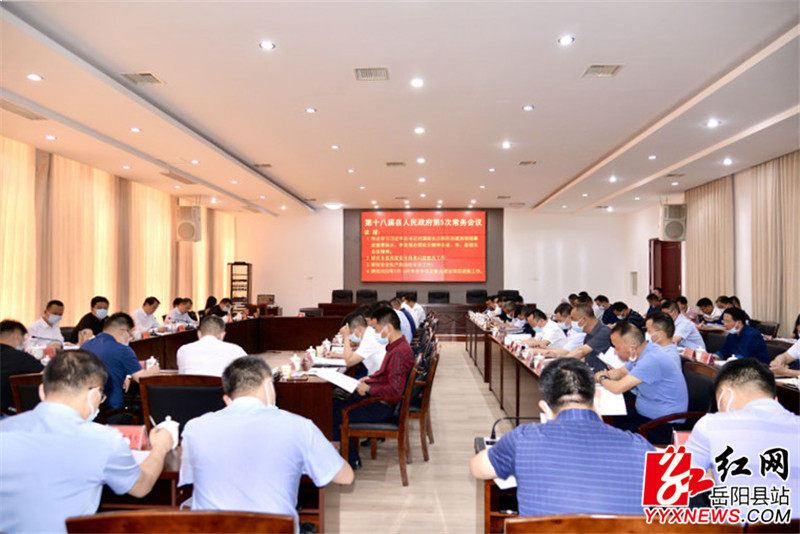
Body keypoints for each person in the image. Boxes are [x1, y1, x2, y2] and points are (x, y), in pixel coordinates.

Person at [0, 350, 173, 533]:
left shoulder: (4, 430)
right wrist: (160, 447)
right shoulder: (103, 439)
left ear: (42, 391)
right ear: (93, 395)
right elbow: (140, 487)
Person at [179, 356, 353, 524]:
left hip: (212, 528)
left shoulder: (195, 428)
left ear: (227, 399)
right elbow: (345, 477)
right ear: (268, 385)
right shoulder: (299, 427)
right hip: (274, 528)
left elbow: (189, 476)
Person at [470, 358, 654, 516]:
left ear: (545, 408)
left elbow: (478, 468)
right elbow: (667, 507)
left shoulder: (523, 439)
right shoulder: (641, 447)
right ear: (598, 399)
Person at [685, 358, 799, 519]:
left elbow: (674, 485)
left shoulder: (711, 424)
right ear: (775, 400)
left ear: (726, 395)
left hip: (733, 527)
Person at [332, 307, 415, 468]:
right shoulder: (397, 346)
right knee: (337, 404)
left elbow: (395, 390)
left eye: (376, 329)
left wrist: (369, 389)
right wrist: (371, 379)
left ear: (388, 328)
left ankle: (351, 461)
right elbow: (386, 375)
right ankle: (348, 457)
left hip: (382, 406)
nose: (374, 332)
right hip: (379, 400)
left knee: (331, 414)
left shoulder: (398, 353)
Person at [598, 320, 688, 444]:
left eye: (617, 347)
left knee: (608, 431)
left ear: (632, 347)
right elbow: (620, 372)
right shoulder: (644, 351)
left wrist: (603, 379)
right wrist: (601, 376)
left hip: (662, 424)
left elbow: (617, 388)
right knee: (608, 421)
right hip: (646, 416)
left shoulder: (651, 359)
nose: (615, 351)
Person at [82, 312, 161, 414]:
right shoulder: (123, 350)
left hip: (86, 407)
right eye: (130, 334)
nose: (131, 338)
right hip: (112, 410)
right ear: (123, 331)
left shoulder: (85, 345)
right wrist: (153, 371)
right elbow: (141, 378)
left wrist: (125, 376)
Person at [177, 315, 247, 376]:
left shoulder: (183, 350)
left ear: (199, 334)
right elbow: (248, 372)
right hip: (222, 387)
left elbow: (182, 374)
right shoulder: (235, 350)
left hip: (192, 387)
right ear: (223, 335)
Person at [0, 320, 44, 413]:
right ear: (18, 337)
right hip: (7, 414)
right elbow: (46, 376)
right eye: (24, 339)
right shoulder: (21, 358)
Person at [563, 303, 610, 373]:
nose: (571, 322)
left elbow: (582, 351)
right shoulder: (588, 335)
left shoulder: (604, 331)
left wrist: (559, 363)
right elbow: (586, 358)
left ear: (583, 320)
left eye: (573, 319)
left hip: (604, 376)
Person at [337, 311, 386, 377]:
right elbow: (355, 354)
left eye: (350, 333)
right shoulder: (370, 333)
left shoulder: (369, 339)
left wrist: (346, 337)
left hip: (380, 378)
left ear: (359, 329)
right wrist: (335, 355)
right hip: (377, 375)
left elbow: (349, 361)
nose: (350, 337)